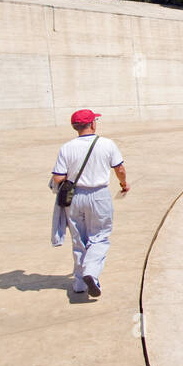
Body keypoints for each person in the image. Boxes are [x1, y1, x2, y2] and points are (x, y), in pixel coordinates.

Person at [51, 110, 128, 298]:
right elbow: (119, 168)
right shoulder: (107, 144)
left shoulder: (67, 147)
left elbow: (58, 177)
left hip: (75, 197)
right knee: (100, 236)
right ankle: (91, 272)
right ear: (93, 124)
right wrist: (124, 184)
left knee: (79, 239)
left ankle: (79, 283)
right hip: (99, 195)